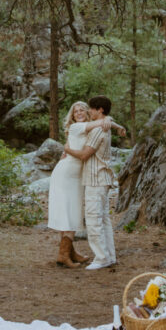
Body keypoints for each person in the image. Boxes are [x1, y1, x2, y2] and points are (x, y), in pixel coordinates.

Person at [48, 101, 125, 268]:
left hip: (77, 176)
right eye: (76, 111)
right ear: (72, 116)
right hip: (67, 174)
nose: (80, 113)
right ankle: (64, 255)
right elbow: (102, 122)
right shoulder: (77, 127)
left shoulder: (90, 127)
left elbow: (103, 121)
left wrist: (115, 125)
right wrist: (111, 122)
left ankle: (68, 252)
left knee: (71, 213)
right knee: (70, 214)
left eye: (83, 109)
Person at [63, 95, 118, 270]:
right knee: (104, 219)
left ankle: (101, 258)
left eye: (91, 109)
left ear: (99, 110)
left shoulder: (97, 131)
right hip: (102, 178)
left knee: (94, 220)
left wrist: (67, 149)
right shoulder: (105, 127)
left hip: (95, 179)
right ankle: (109, 256)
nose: (89, 112)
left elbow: (85, 155)